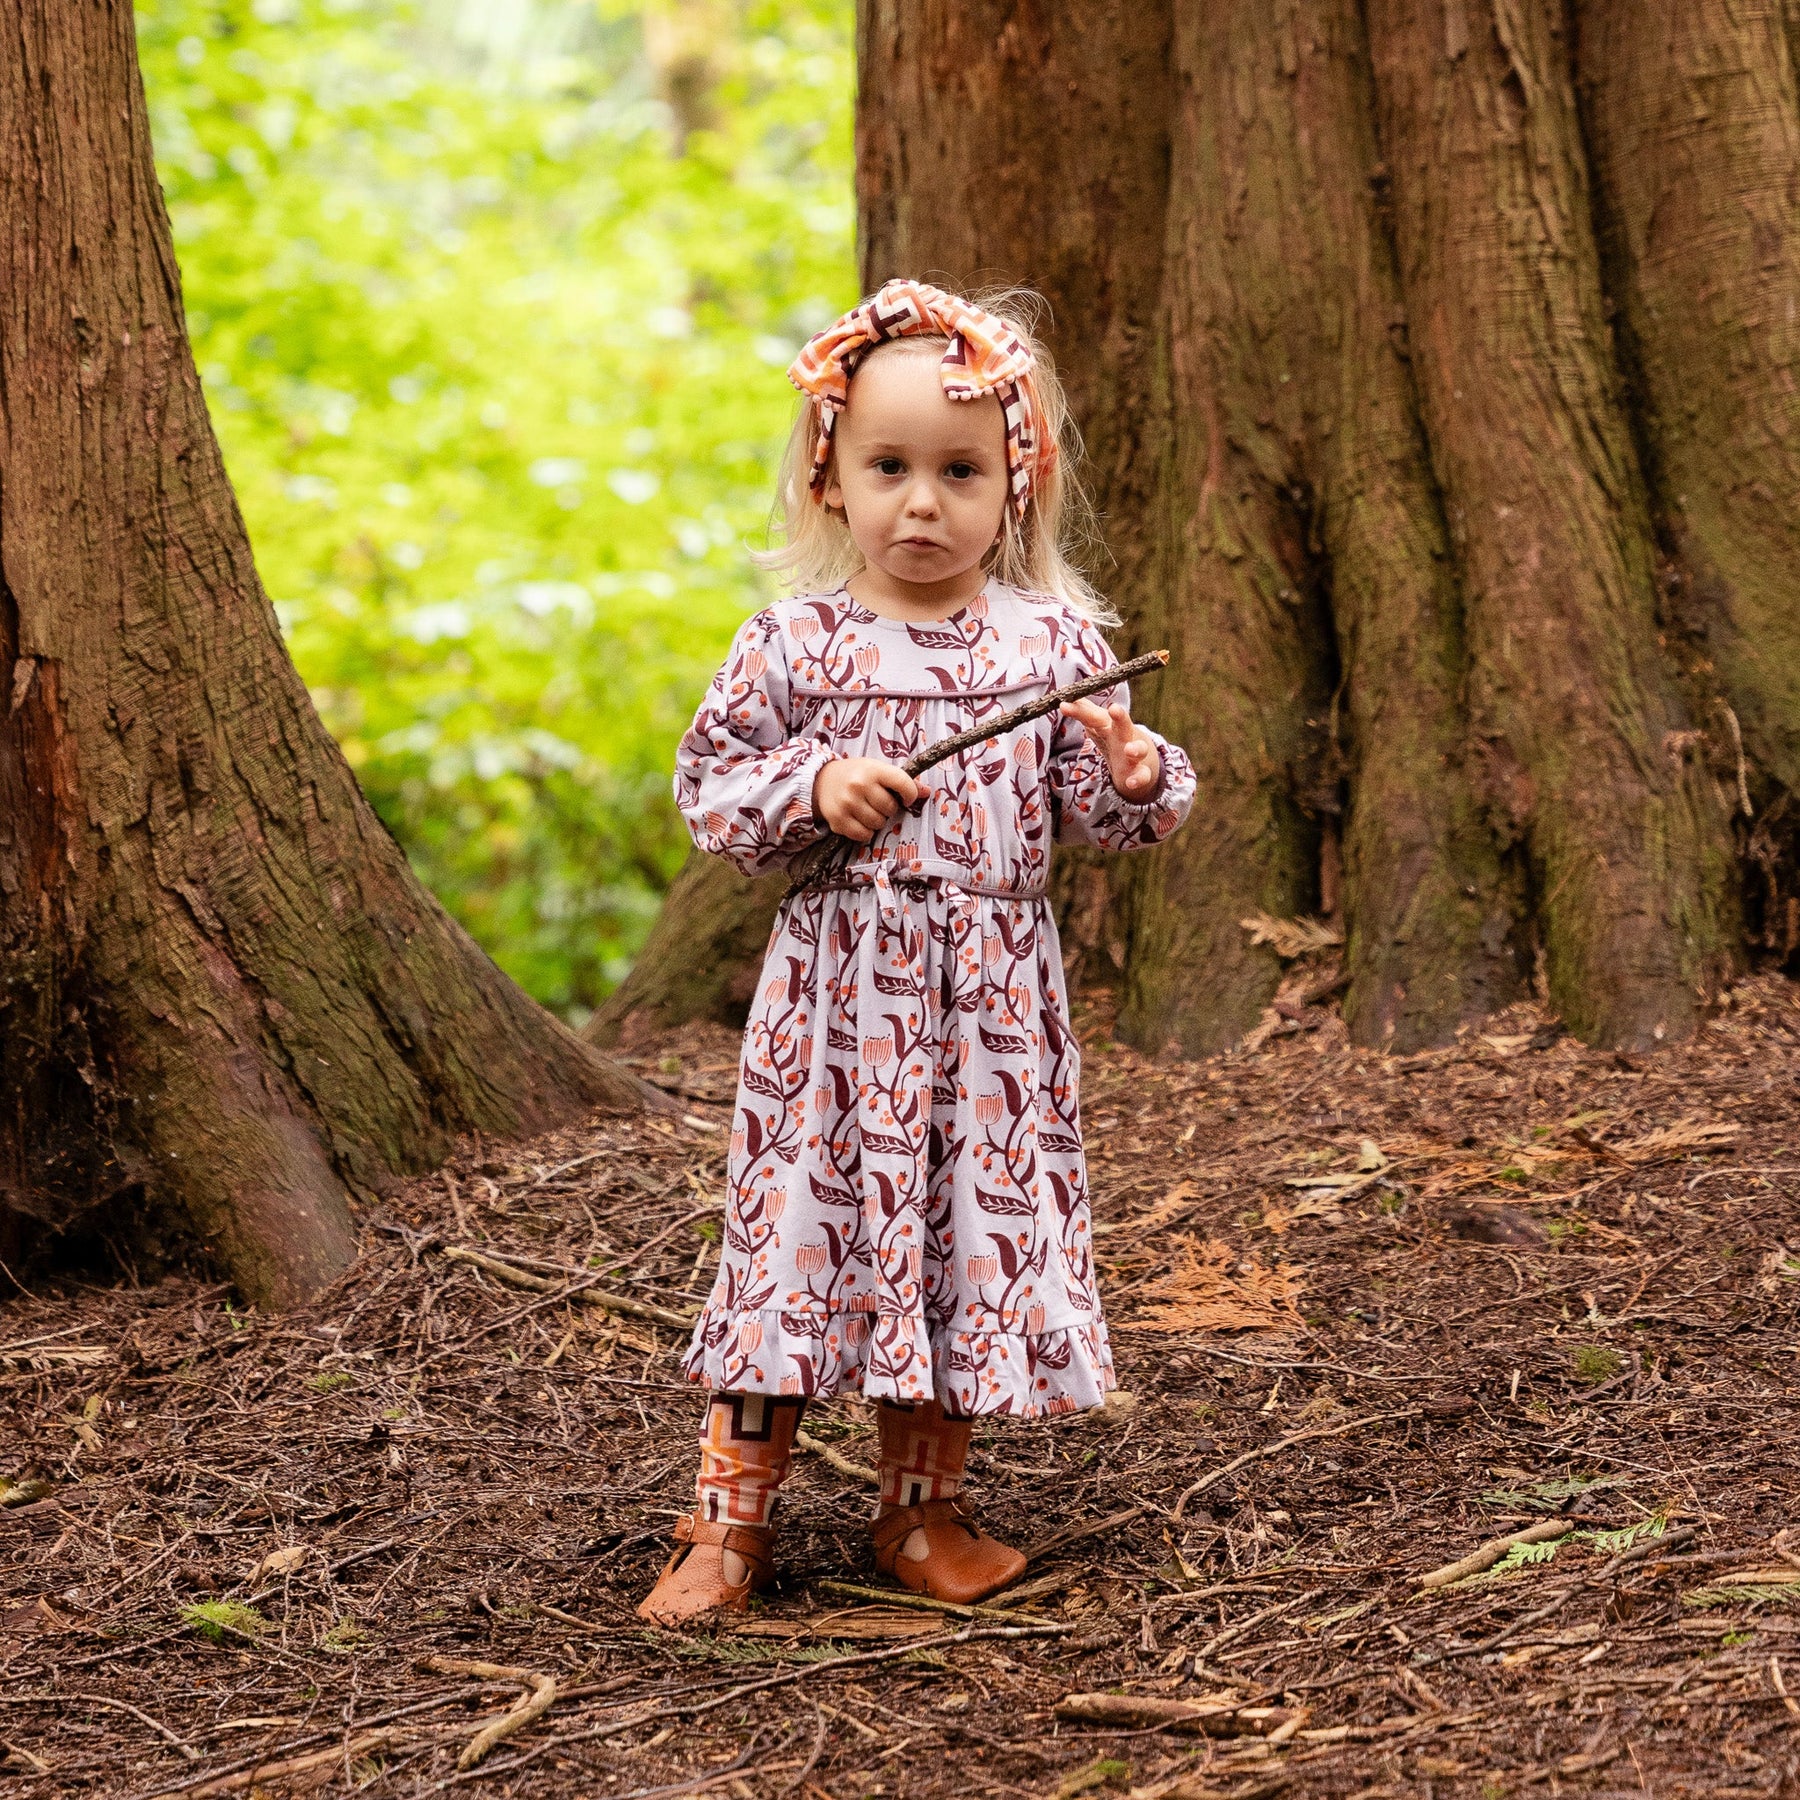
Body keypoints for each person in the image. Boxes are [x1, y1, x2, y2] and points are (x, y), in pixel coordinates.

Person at [638, 280, 1196, 1624]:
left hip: (989, 1014)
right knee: (795, 1235)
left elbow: (1108, 812)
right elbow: (712, 787)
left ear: (1018, 482)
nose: (923, 503)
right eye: (889, 468)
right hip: (835, 1011)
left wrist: (1129, 770)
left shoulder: (1050, 645)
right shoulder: (796, 643)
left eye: (960, 470)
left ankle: (921, 1514)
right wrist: (814, 785)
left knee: (956, 1238)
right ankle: (725, 1525)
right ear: (828, 475)